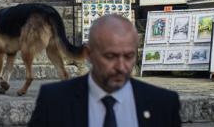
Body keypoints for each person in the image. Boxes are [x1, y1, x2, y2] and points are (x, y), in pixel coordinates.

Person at [28, 15, 181, 127]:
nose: (121, 67)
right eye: (110, 56)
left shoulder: (163, 104)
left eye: (129, 56)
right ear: (88, 54)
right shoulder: (54, 101)